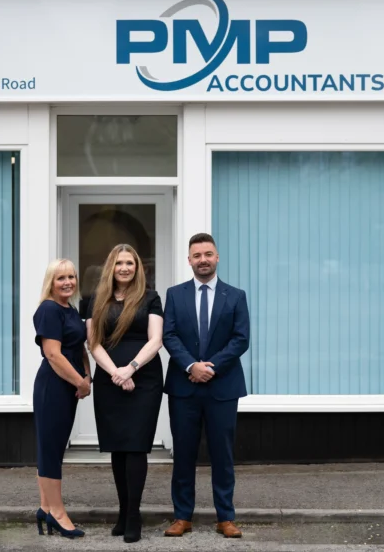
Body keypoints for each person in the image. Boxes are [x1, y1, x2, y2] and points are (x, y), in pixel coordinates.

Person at [162, 233, 250, 539]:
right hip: (184, 387)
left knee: (222, 455)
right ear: (189, 260)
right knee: (183, 454)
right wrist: (191, 366)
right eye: (197, 255)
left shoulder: (235, 296)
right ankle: (181, 516)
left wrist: (210, 367)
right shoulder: (174, 295)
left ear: (217, 257)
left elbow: (241, 339)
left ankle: (225, 517)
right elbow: (169, 335)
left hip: (222, 387)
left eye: (208, 254)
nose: (203, 260)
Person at [86, 244, 164, 544]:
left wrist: (129, 369)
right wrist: (115, 374)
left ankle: (134, 515)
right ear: (111, 267)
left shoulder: (151, 298)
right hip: (109, 380)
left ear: (137, 267)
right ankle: (122, 511)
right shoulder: (95, 300)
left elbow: (156, 340)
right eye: (119, 263)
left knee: (135, 446)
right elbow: (93, 344)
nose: (124, 268)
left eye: (130, 263)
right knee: (118, 447)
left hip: (144, 379)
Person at [33, 259, 92, 539]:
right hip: (53, 387)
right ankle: (57, 513)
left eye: (71, 276)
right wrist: (79, 381)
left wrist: (87, 375)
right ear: (51, 282)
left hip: (69, 386)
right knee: (51, 450)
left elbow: (78, 347)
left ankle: (45, 508)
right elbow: (53, 354)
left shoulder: (71, 309)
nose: (67, 282)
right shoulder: (48, 309)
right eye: (61, 278)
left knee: (54, 448)